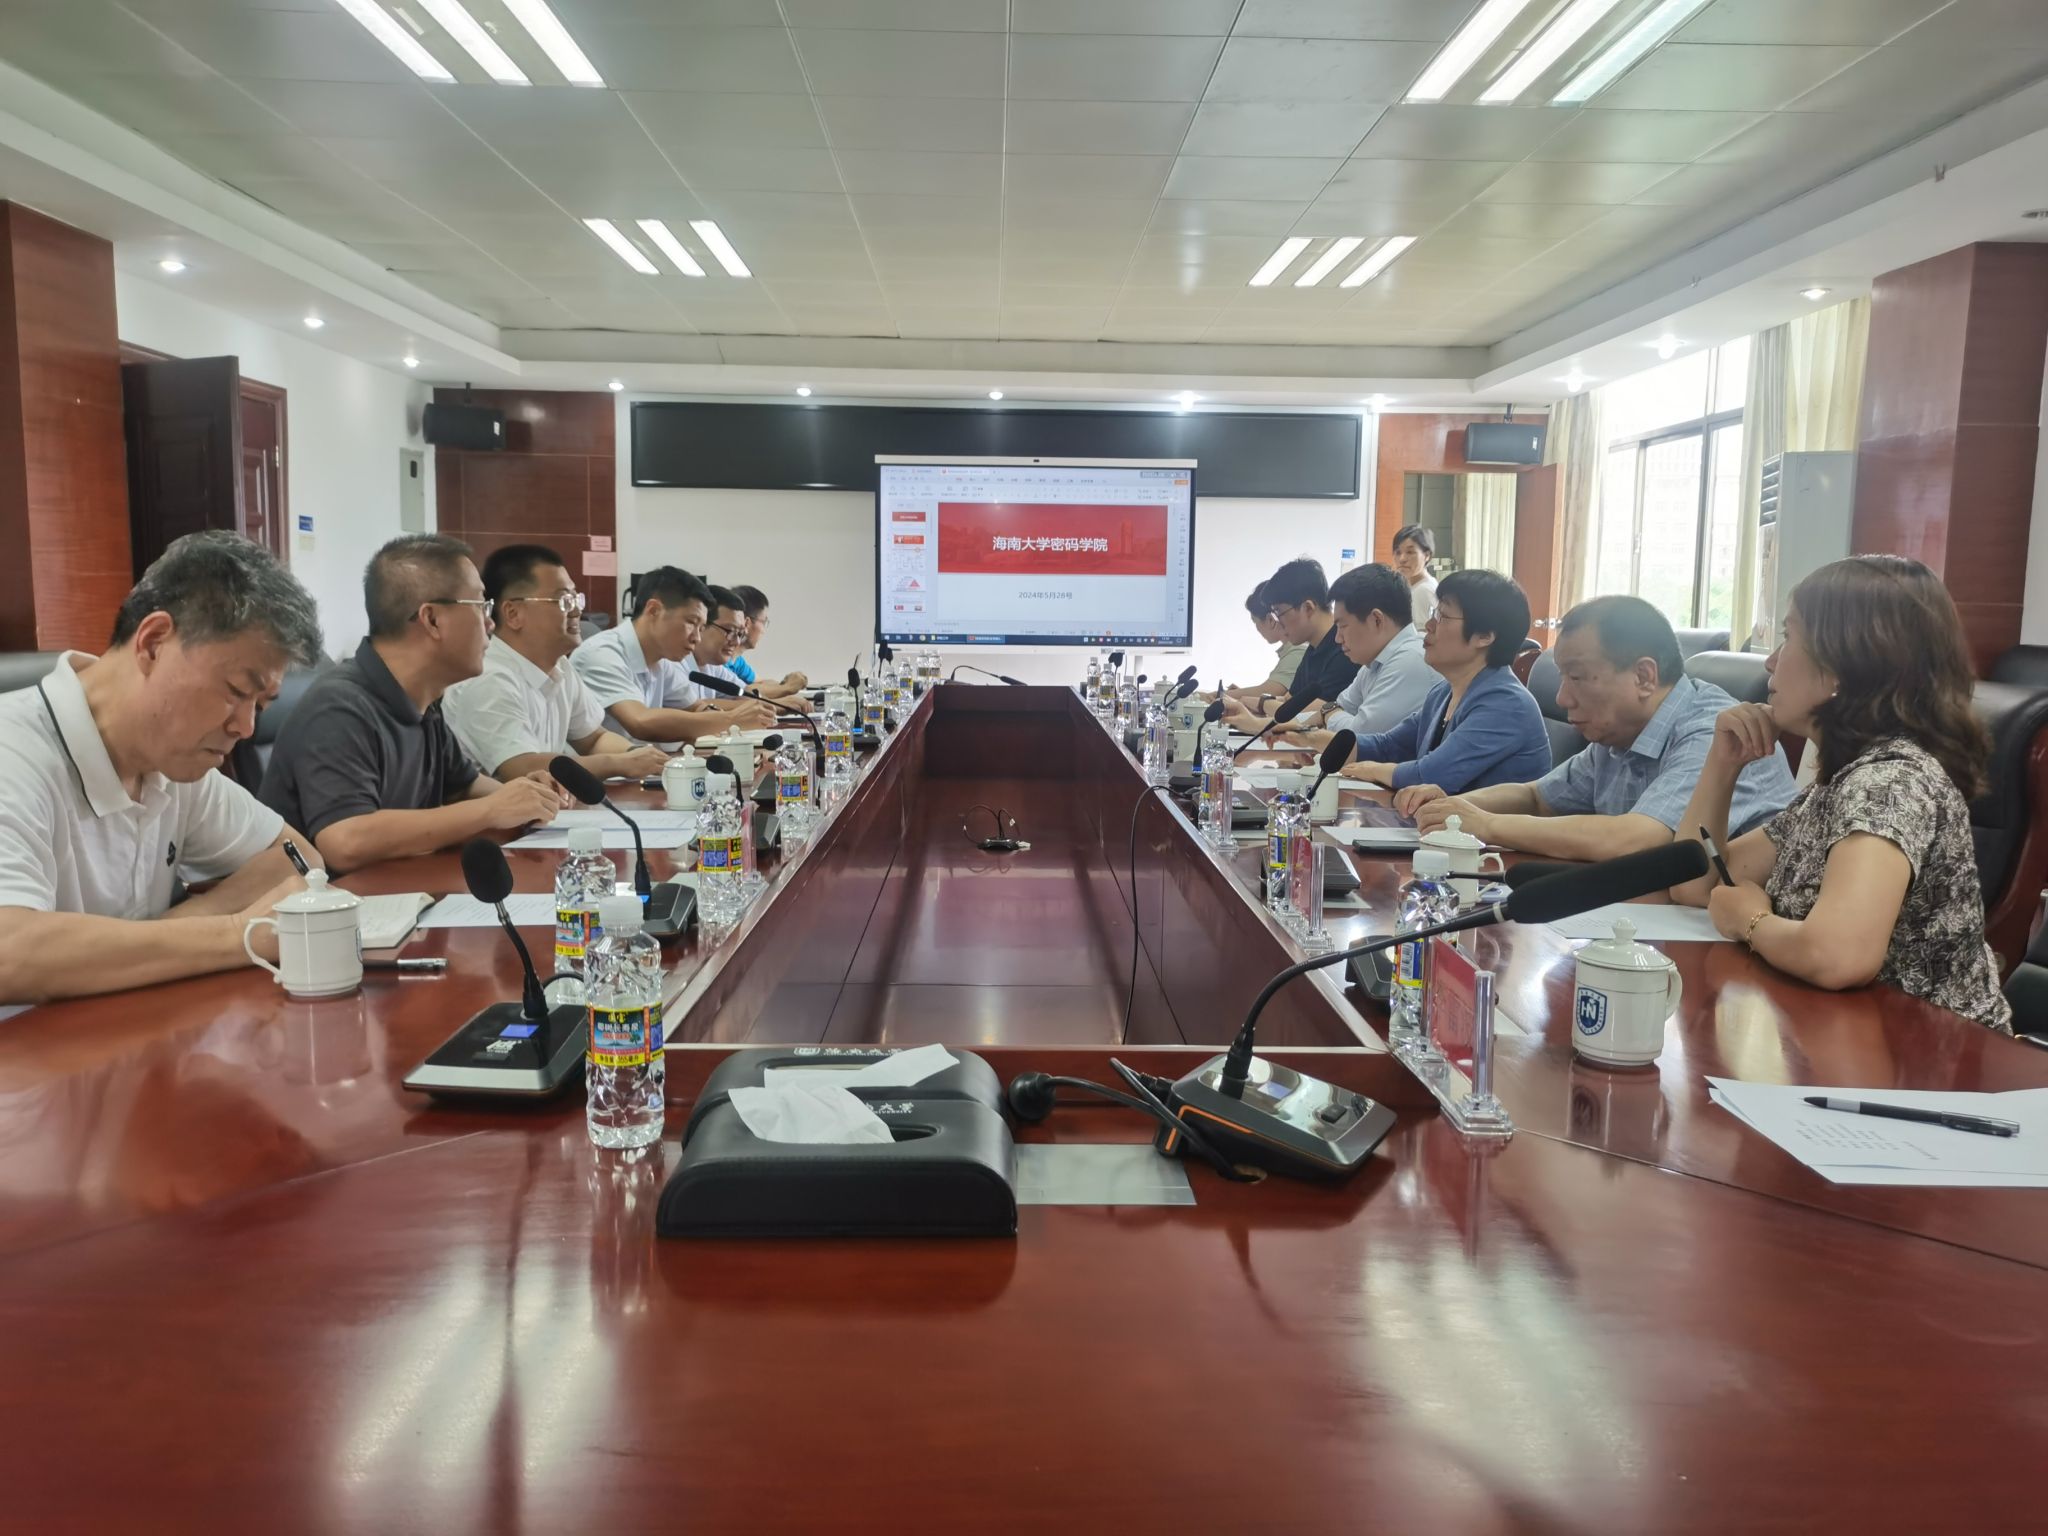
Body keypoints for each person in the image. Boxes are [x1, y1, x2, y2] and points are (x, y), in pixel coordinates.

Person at [1671, 556, 2010, 1032]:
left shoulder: (1890, 782)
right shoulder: (1837, 784)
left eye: (1788, 637)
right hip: (1849, 1036)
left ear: (1841, 669)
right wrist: (1722, 764)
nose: (1770, 661)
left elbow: (1837, 956)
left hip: (1935, 1056)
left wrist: (1750, 921)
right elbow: (1694, 884)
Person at [0, 532, 328, 1004]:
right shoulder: (14, 752)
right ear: (154, 643)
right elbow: (10, 952)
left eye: (260, 704)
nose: (245, 727)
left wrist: (177, 927)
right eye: (237, 691)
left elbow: (298, 858)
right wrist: (238, 933)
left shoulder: (171, 763)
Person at [1395, 595, 1798, 859]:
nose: (1562, 697)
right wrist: (1453, 808)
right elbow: (1538, 797)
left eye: (1577, 677)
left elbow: (1638, 839)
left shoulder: (1710, 730)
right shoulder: (1617, 735)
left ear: (1644, 676)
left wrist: (1487, 825)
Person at [259, 535, 565, 873]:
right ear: (432, 619)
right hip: (336, 900)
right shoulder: (340, 707)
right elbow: (345, 841)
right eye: (480, 605)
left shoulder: (422, 700)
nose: (491, 623)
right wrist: (493, 809)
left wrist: (528, 796)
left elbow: (463, 787)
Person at [443, 545, 671, 785]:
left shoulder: (559, 665)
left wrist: (637, 756)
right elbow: (521, 767)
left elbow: (593, 738)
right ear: (513, 613)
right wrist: (620, 764)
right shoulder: (489, 678)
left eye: (576, 598)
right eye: (563, 600)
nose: (577, 610)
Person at [1339, 569, 1549, 793]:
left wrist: (1372, 770)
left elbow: (1429, 776)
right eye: (1434, 613)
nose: (1429, 625)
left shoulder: (1507, 705)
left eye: (1443, 616)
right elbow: (1389, 746)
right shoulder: (1443, 692)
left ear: (1485, 636)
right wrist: (1321, 741)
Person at [570, 566, 775, 746]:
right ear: (654, 610)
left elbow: (696, 707)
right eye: (691, 622)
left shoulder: (662, 661)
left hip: (642, 766)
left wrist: (738, 717)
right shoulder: (603, 654)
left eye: (701, 627)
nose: (697, 637)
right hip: (604, 772)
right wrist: (731, 719)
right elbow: (640, 721)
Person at [1278, 563, 1436, 750]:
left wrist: (1328, 712)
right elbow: (1337, 708)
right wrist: (1286, 729)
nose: (1337, 638)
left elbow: (1358, 735)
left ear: (1376, 620)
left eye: (1343, 626)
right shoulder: (1374, 663)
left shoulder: (1410, 660)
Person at [1222, 558, 1354, 728]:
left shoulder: (1345, 651)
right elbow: (1288, 701)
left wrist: (1261, 704)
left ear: (1308, 608)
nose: (1278, 622)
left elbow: (1309, 715)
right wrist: (1250, 703)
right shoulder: (1313, 649)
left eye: (1279, 612)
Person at [1216, 584, 1307, 704]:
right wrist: (1241, 694)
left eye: (1255, 621)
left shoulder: (1298, 651)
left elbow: (1271, 691)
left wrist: (1219, 695)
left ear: (1270, 620)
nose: (1257, 628)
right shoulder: (1294, 649)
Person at [728, 585, 809, 703]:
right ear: (746, 623)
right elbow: (743, 693)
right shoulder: (718, 661)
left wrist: (785, 684)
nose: (763, 631)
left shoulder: (737, 661)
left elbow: (760, 683)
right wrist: (787, 687)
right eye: (764, 622)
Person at [1392, 524, 1437, 632]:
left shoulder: (1423, 590)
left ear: (1427, 555)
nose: (1402, 559)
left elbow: (1422, 635)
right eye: (1398, 552)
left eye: (1410, 552)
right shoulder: (1412, 586)